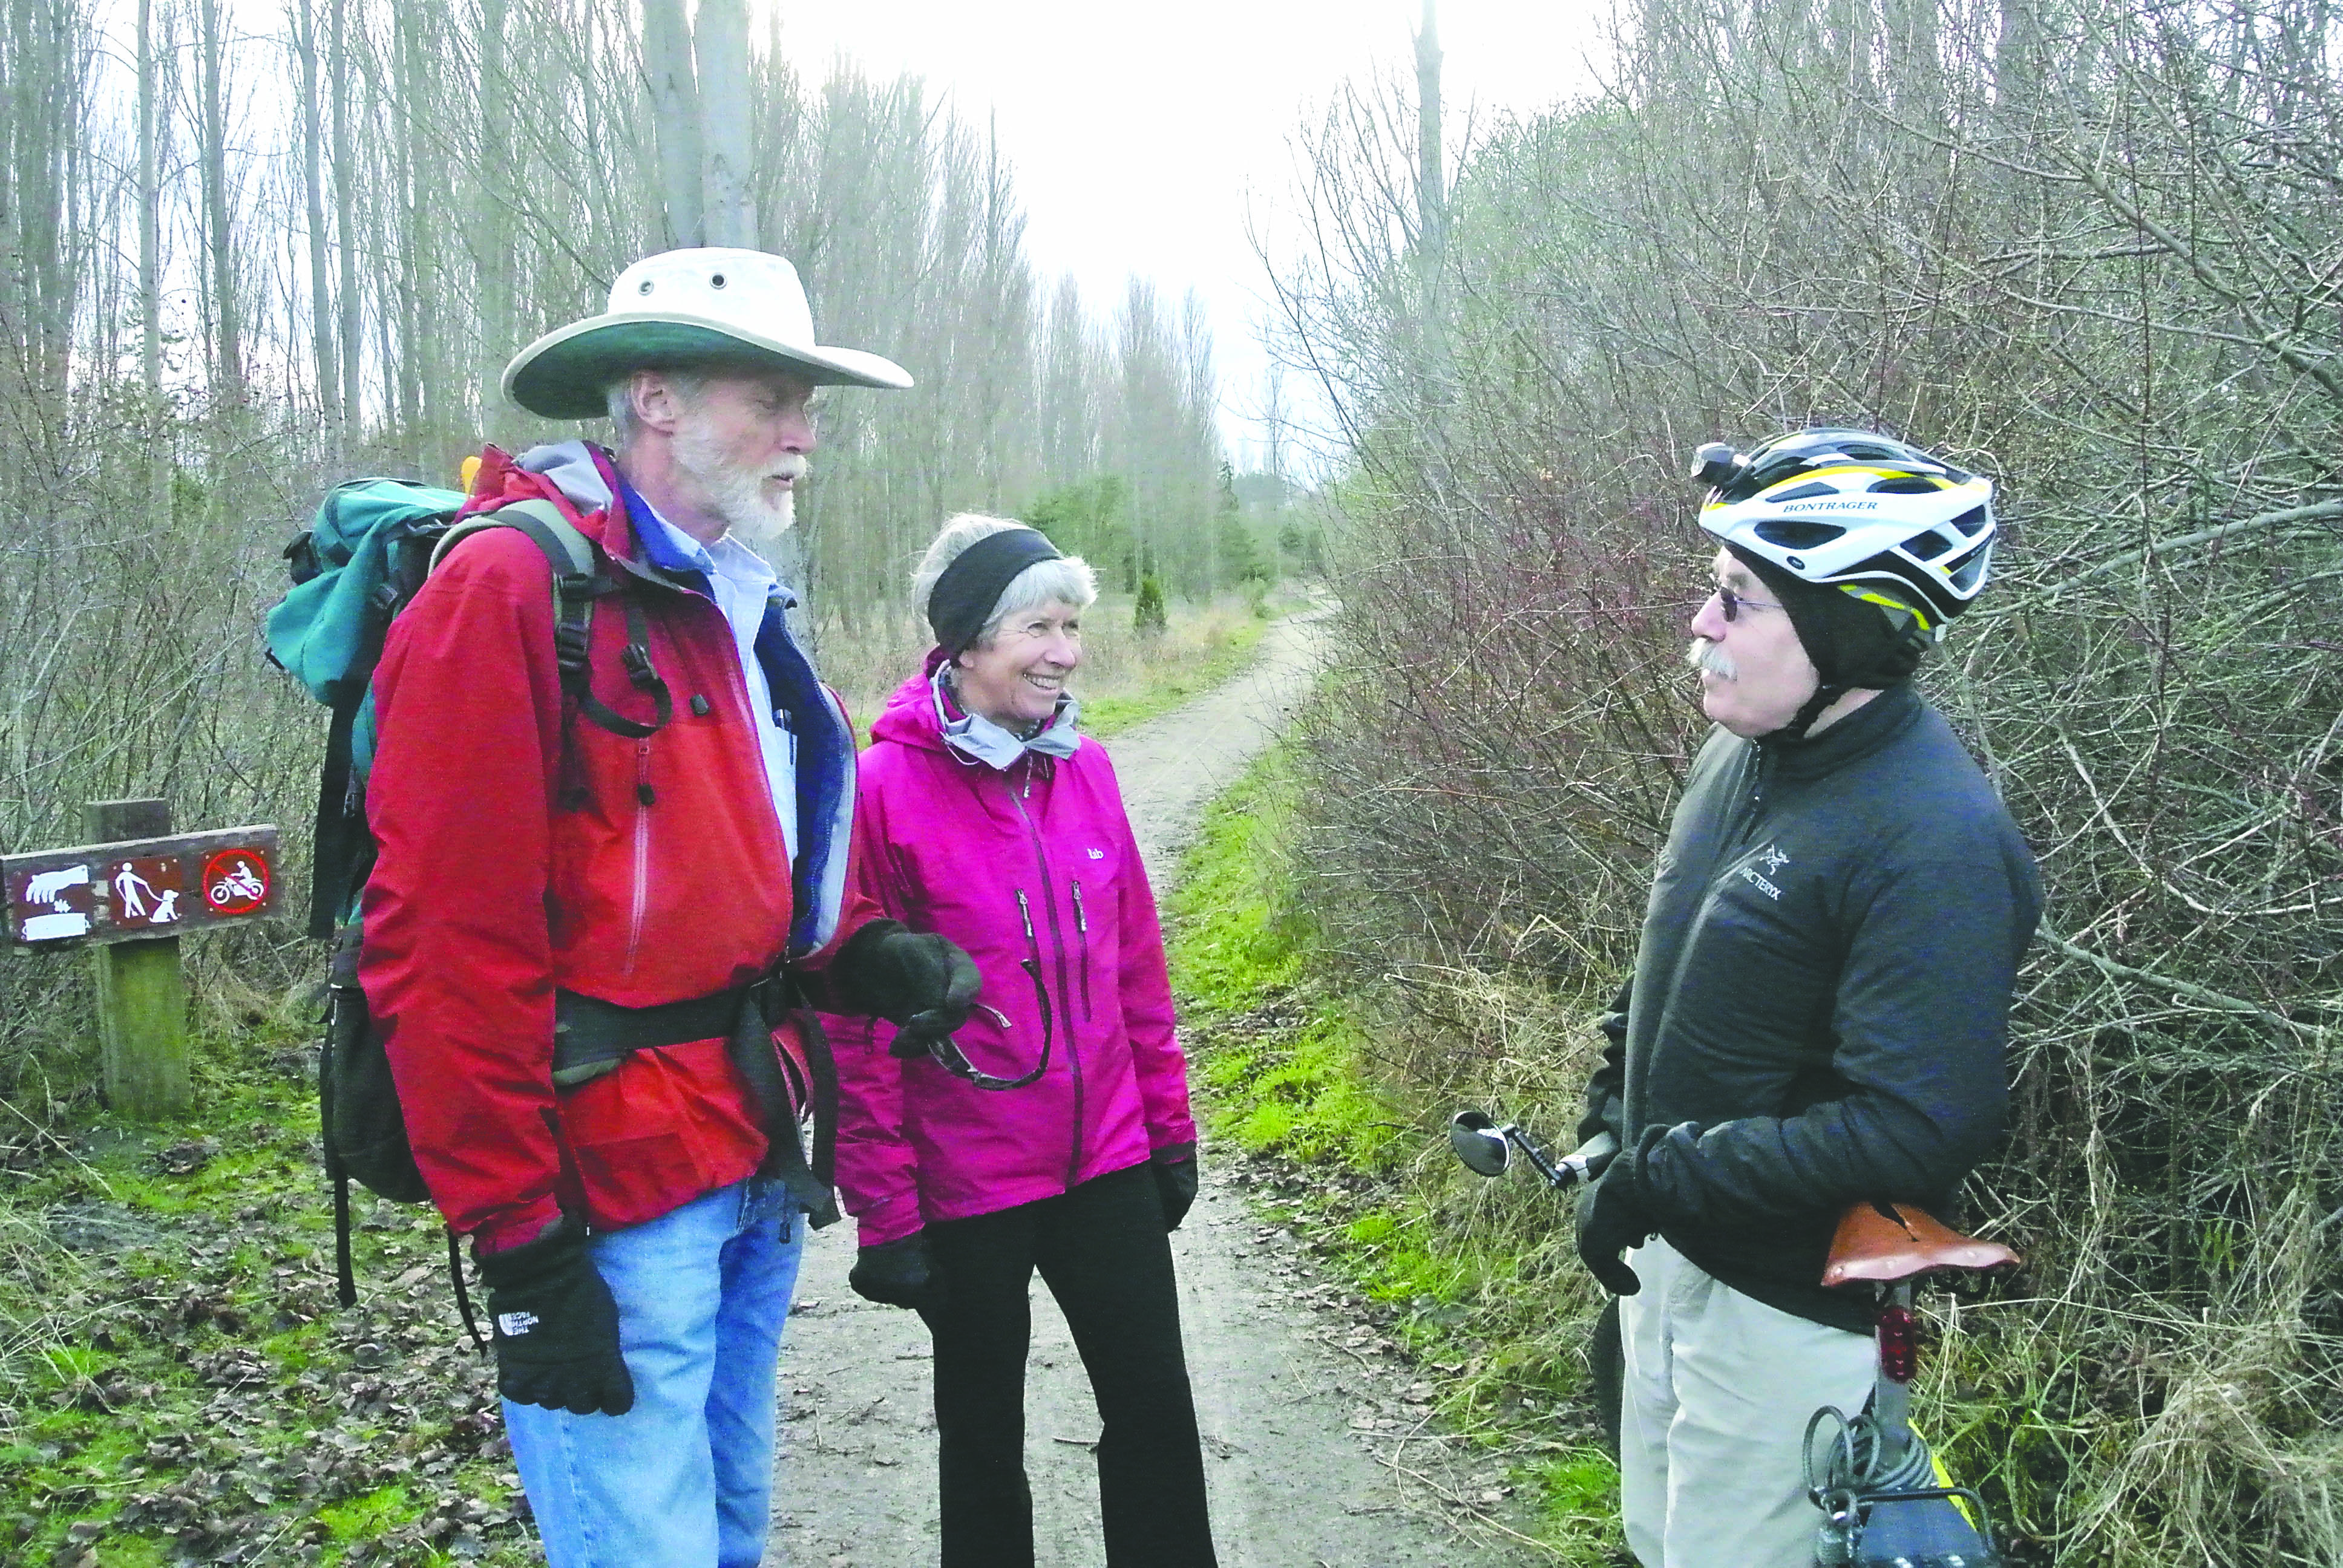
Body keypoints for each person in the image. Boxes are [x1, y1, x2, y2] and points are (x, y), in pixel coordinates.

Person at [360, 247, 980, 1568]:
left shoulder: (728, 596)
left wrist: (857, 956)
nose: (806, 436)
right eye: (773, 398)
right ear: (654, 399)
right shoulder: (511, 591)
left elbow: (723, 860)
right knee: (644, 1546)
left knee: (726, 1528)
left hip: (749, 1144)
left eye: (811, 405)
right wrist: (521, 1246)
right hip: (611, 1179)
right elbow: (441, 945)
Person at [1572, 428, 2043, 1567]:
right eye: (1713, 589)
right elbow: (1671, 955)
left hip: (1785, 1311)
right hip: (1669, 1258)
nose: (1702, 623)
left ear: (1843, 630)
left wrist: (1661, 1172)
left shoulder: (1933, 836)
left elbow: (1916, 1126)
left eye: (1740, 597)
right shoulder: (1745, 755)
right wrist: (1608, 1123)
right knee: (1654, 1537)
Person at [827, 515, 1219, 1568]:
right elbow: (857, 1022)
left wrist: (1167, 1130)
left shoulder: (1081, 769)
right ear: (966, 642)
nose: (1066, 651)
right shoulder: (880, 792)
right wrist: (886, 1211)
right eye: (1039, 627)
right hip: (969, 1185)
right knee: (982, 1432)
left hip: (1108, 1162)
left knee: (1154, 1408)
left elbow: (1136, 964)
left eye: (1073, 624)